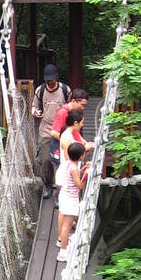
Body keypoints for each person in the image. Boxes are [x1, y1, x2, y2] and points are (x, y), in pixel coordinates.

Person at [31, 64, 70, 198]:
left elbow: (71, 107)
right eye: (48, 81)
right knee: (46, 162)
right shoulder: (40, 90)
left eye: (52, 81)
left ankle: (60, 192)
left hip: (62, 132)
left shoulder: (65, 90)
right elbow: (34, 107)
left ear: (56, 77)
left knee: (60, 163)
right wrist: (35, 113)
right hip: (45, 132)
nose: (50, 83)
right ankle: (47, 185)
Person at [56, 141, 88, 261]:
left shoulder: (70, 164)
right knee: (67, 226)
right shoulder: (74, 168)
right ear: (81, 156)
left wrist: (84, 168)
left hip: (65, 195)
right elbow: (79, 185)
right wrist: (86, 176)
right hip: (70, 199)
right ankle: (63, 252)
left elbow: (74, 176)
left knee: (67, 224)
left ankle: (64, 247)